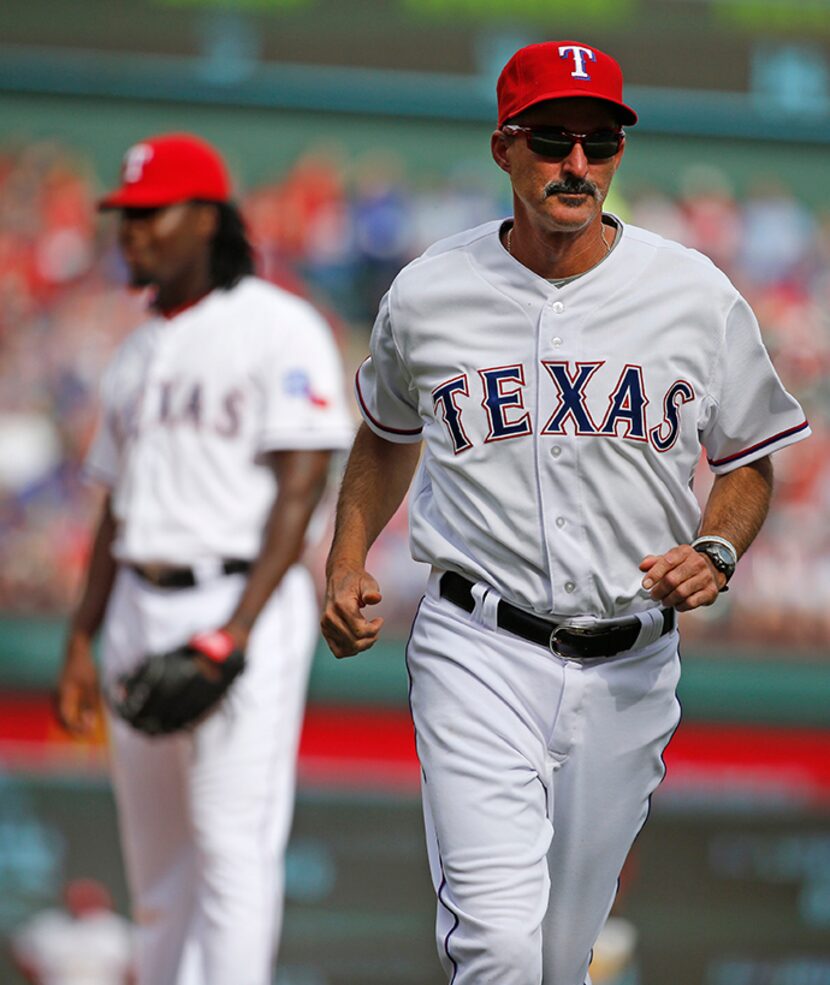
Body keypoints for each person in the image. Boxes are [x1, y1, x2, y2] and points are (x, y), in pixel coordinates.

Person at [320, 41, 810, 985]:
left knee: (558, 956)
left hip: (629, 662)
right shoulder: (429, 291)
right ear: (505, 147)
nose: (578, 164)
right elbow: (386, 431)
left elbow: (750, 460)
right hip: (478, 645)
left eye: (600, 141)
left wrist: (717, 544)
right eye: (553, 140)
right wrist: (346, 558)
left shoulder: (693, 292)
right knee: (497, 945)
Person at [56, 133, 353, 985]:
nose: (133, 232)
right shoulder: (136, 350)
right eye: (126, 215)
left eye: (152, 214)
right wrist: (82, 637)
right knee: (157, 872)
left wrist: (234, 632)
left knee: (232, 847)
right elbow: (116, 509)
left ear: (210, 220)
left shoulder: (278, 324)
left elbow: (301, 490)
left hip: (237, 598)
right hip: (136, 607)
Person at [9, 878, 134, 985]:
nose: (83, 901)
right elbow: (21, 952)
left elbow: (133, 970)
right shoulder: (46, 925)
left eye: (88, 896)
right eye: (79, 896)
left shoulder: (120, 929)